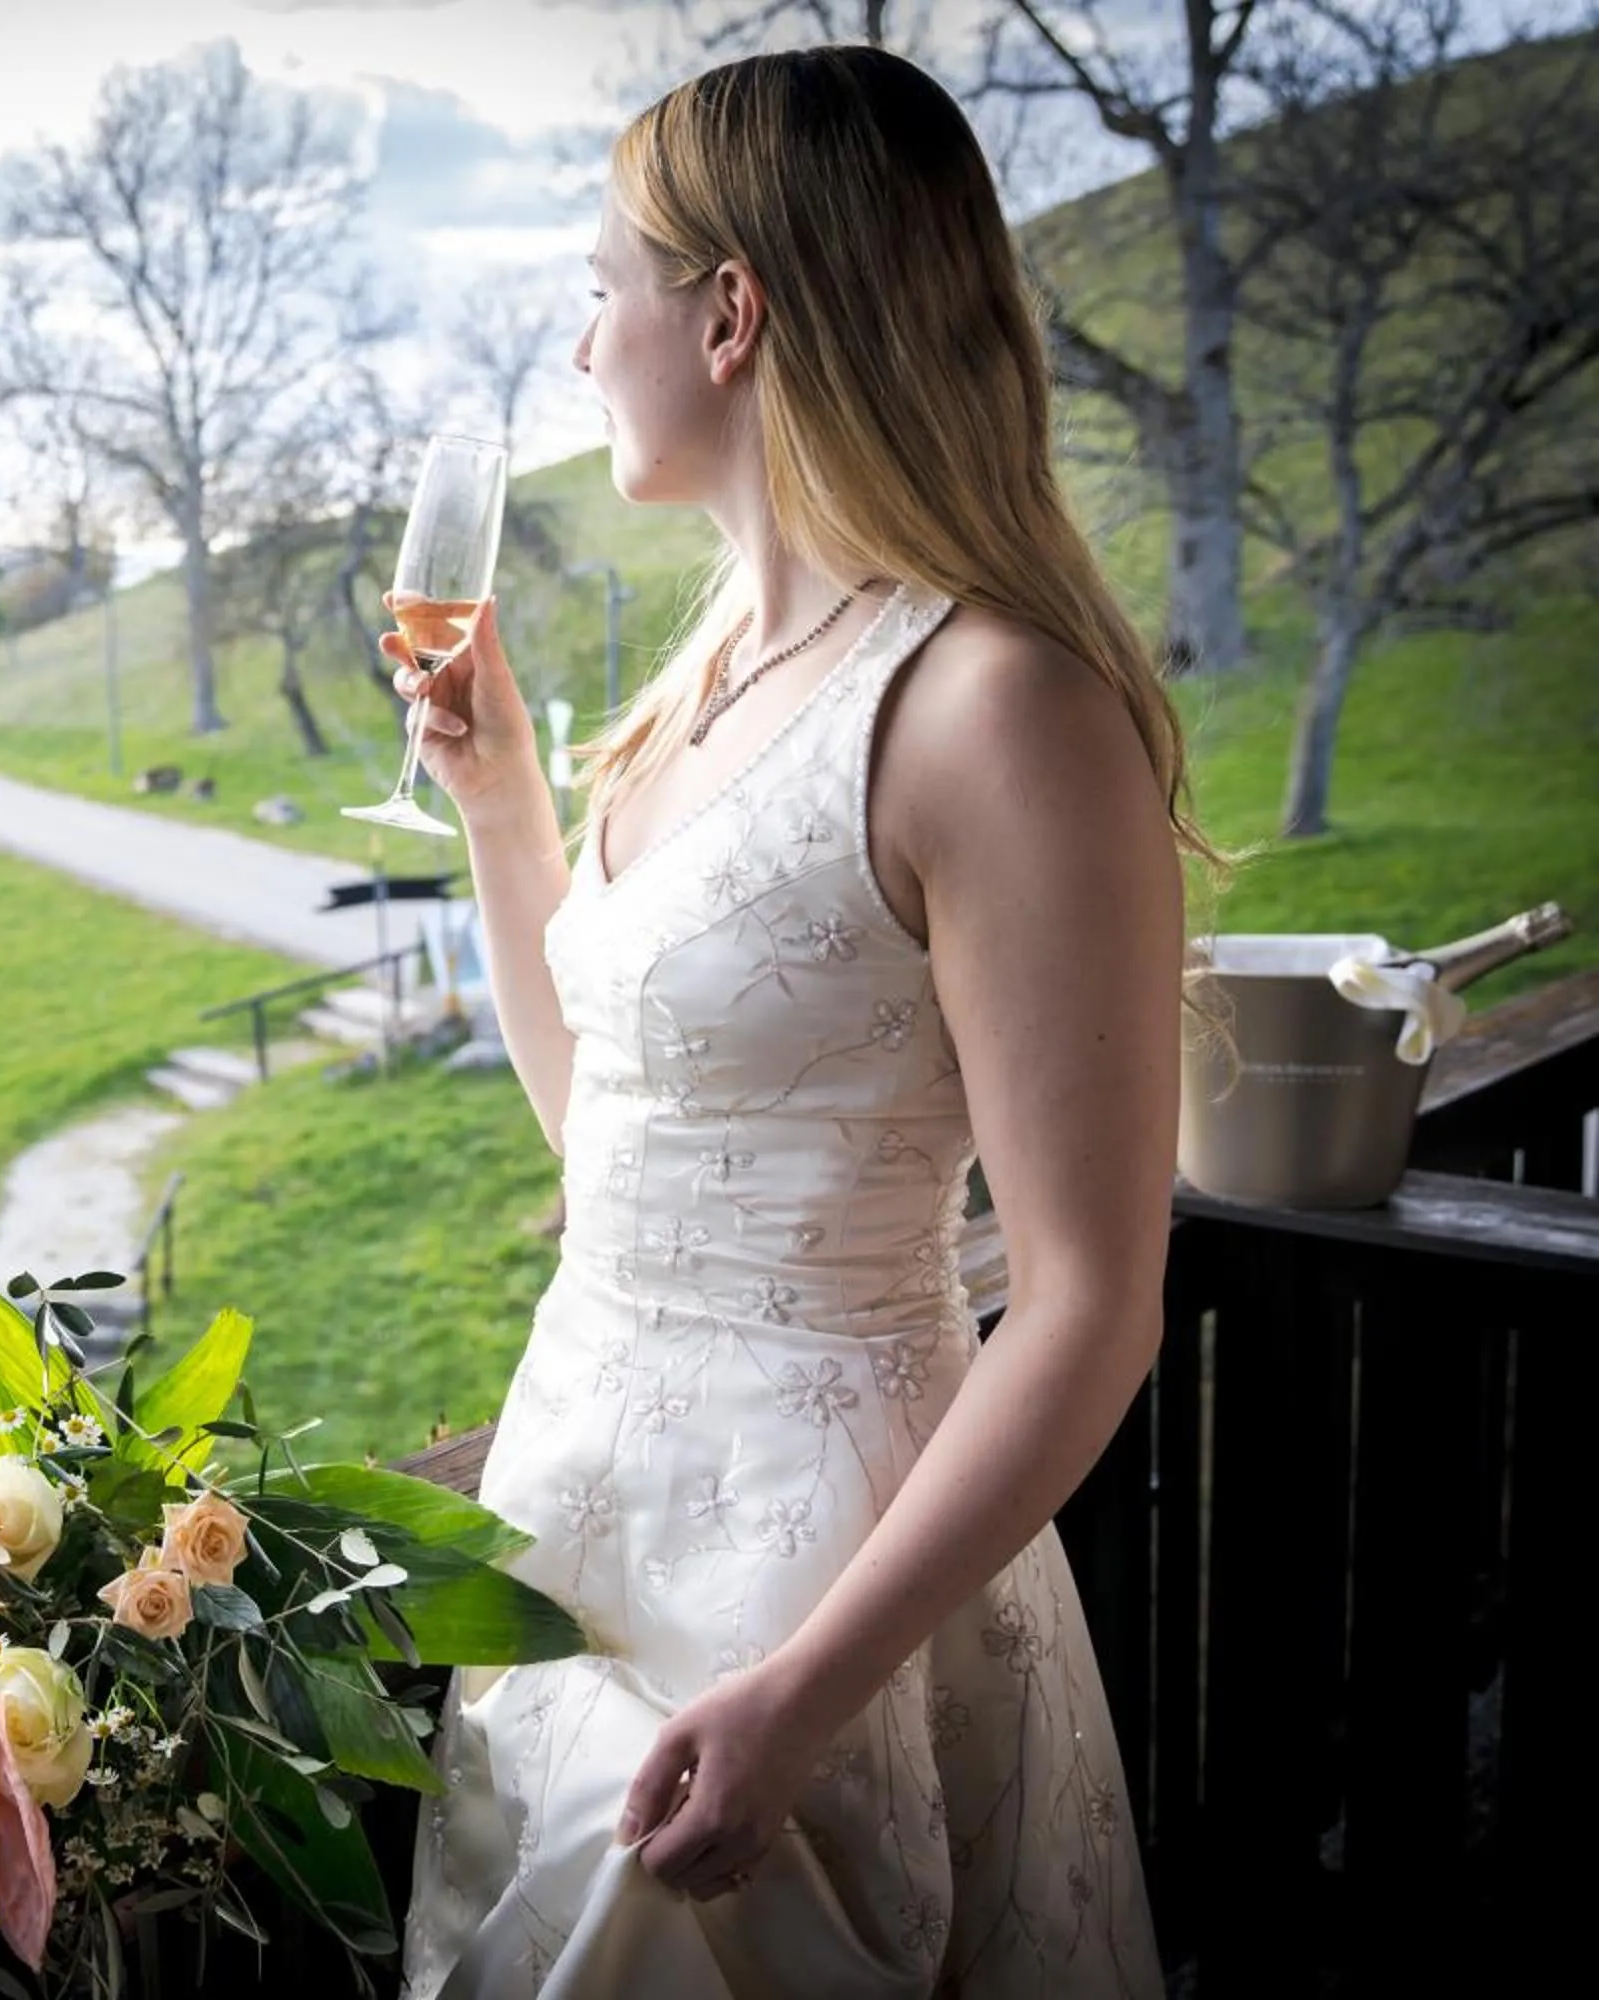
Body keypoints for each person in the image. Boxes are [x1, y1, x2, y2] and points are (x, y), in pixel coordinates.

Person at [389, 44, 1206, 1999]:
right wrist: (503, 800)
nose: (587, 352)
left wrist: (807, 1690)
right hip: (578, 1532)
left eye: (607, 290)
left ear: (731, 311)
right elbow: (615, 1158)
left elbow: (1094, 1296)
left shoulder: (994, 708)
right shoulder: (695, 690)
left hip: (823, 1586)